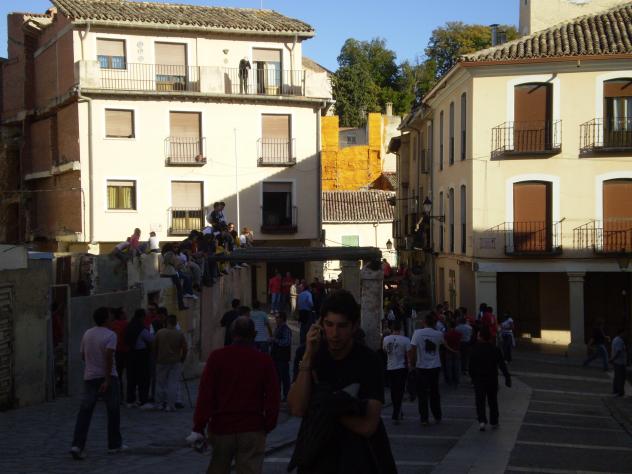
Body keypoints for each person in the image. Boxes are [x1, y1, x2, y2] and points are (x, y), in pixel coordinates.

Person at [287, 290, 397, 474]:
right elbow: (297, 408)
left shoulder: (369, 361)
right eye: (329, 324)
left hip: (358, 460)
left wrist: (324, 409)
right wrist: (308, 357)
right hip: (316, 459)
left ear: (354, 326)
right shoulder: (309, 355)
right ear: (320, 324)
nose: (335, 333)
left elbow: (368, 426)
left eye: (342, 326)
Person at [191, 317, 280, 474]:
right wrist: (268, 424)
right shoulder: (264, 361)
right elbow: (273, 396)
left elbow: (205, 395)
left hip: (222, 428)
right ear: (254, 334)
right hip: (252, 427)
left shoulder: (217, 358)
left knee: (218, 468)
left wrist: (199, 426)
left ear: (232, 334)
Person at [70, 307, 124, 460]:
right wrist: (107, 379)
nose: (112, 319)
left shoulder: (88, 333)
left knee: (85, 412)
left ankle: (77, 445)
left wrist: (92, 366)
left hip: (90, 376)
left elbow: (83, 355)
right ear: (106, 319)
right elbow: (109, 358)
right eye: (110, 317)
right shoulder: (111, 335)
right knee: (113, 411)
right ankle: (114, 444)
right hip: (109, 377)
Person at [409, 313, 455, 424]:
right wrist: (454, 351)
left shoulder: (417, 333)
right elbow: (445, 345)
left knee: (422, 393)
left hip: (421, 367)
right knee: (434, 392)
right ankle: (437, 415)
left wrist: (412, 364)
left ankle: (424, 418)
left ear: (424, 322)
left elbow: (413, 350)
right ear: (434, 323)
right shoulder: (438, 334)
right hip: (435, 366)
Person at [469, 326, 511, 431]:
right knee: (492, 400)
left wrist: (472, 378)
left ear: (480, 337)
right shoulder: (495, 349)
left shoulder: (474, 349)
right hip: (492, 378)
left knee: (480, 401)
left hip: (479, 379)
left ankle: (482, 421)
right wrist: (507, 377)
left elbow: (471, 366)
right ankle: (494, 421)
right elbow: (501, 364)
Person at [154, 315, 188, 412]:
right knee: (173, 383)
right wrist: (182, 358)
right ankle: (170, 405)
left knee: (160, 383)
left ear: (166, 322)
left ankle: (159, 404)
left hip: (161, 361)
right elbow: (185, 348)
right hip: (175, 361)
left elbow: (154, 347)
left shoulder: (160, 333)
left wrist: (156, 357)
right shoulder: (179, 334)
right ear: (175, 323)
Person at [125, 309, 154, 409]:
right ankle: (143, 400)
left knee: (131, 378)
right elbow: (151, 339)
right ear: (142, 317)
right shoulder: (141, 329)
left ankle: (130, 400)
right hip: (141, 355)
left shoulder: (129, 326)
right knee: (144, 378)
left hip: (130, 354)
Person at [383, 320, 411, 423]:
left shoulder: (386, 339)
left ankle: (397, 410)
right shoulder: (406, 340)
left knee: (393, 390)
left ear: (392, 328)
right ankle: (397, 411)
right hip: (401, 368)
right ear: (401, 329)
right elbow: (408, 356)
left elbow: (385, 351)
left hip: (390, 367)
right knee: (400, 390)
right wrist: (410, 367)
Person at [271, 311, 292, 401]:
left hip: (282, 358)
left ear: (282, 319)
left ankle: (287, 396)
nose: (276, 319)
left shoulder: (286, 329)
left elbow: (286, 342)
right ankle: (278, 395)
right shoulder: (278, 328)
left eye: (277, 318)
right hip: (276, 356)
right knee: (277, 378)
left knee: (284, 378)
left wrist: (275, 340)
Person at [110, 307, 129, 399]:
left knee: (118, 375)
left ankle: (118, 395)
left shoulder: (112, 325)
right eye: (125, 313)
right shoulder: (126, 324)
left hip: (116, 352)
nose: (126, 314)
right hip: (125, 352)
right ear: (121, 315)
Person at [610, 328, 628, 397]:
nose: (625, 335)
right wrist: (613, 359)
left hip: (618, 362)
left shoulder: (615, 339)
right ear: (621, 333)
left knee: (617, 377)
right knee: (621, 378)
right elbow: (618, 351)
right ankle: (620, 391)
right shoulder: (619, 341)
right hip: (620, 362)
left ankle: (616, 390)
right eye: (624, 333)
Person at [444, 321, 462, 388]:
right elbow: (460, 342)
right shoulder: (459, 334)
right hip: (457, 351)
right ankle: (457, 380)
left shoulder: (447, 334)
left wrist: (451, 349)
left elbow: (445, 344)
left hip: (449, 352)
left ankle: (450, 381)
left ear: (449, 326)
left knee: (449, 367)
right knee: (456, 367)